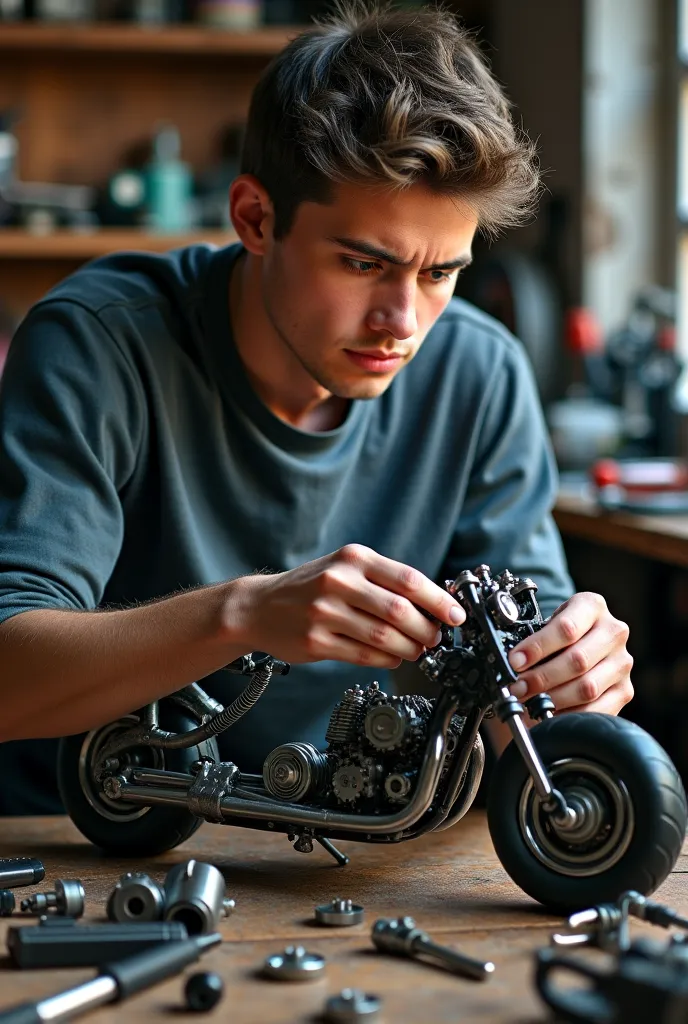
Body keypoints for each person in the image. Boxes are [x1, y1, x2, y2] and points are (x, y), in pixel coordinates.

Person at [0, 2, 632, 814]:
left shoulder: (481, 372)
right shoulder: (100, 344)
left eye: (440, 273)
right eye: (365, 262)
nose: (402, 323)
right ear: (256, 219)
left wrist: (565, 685)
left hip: (343, 855)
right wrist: (244, 612)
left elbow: (525, 726)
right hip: (70, 846)